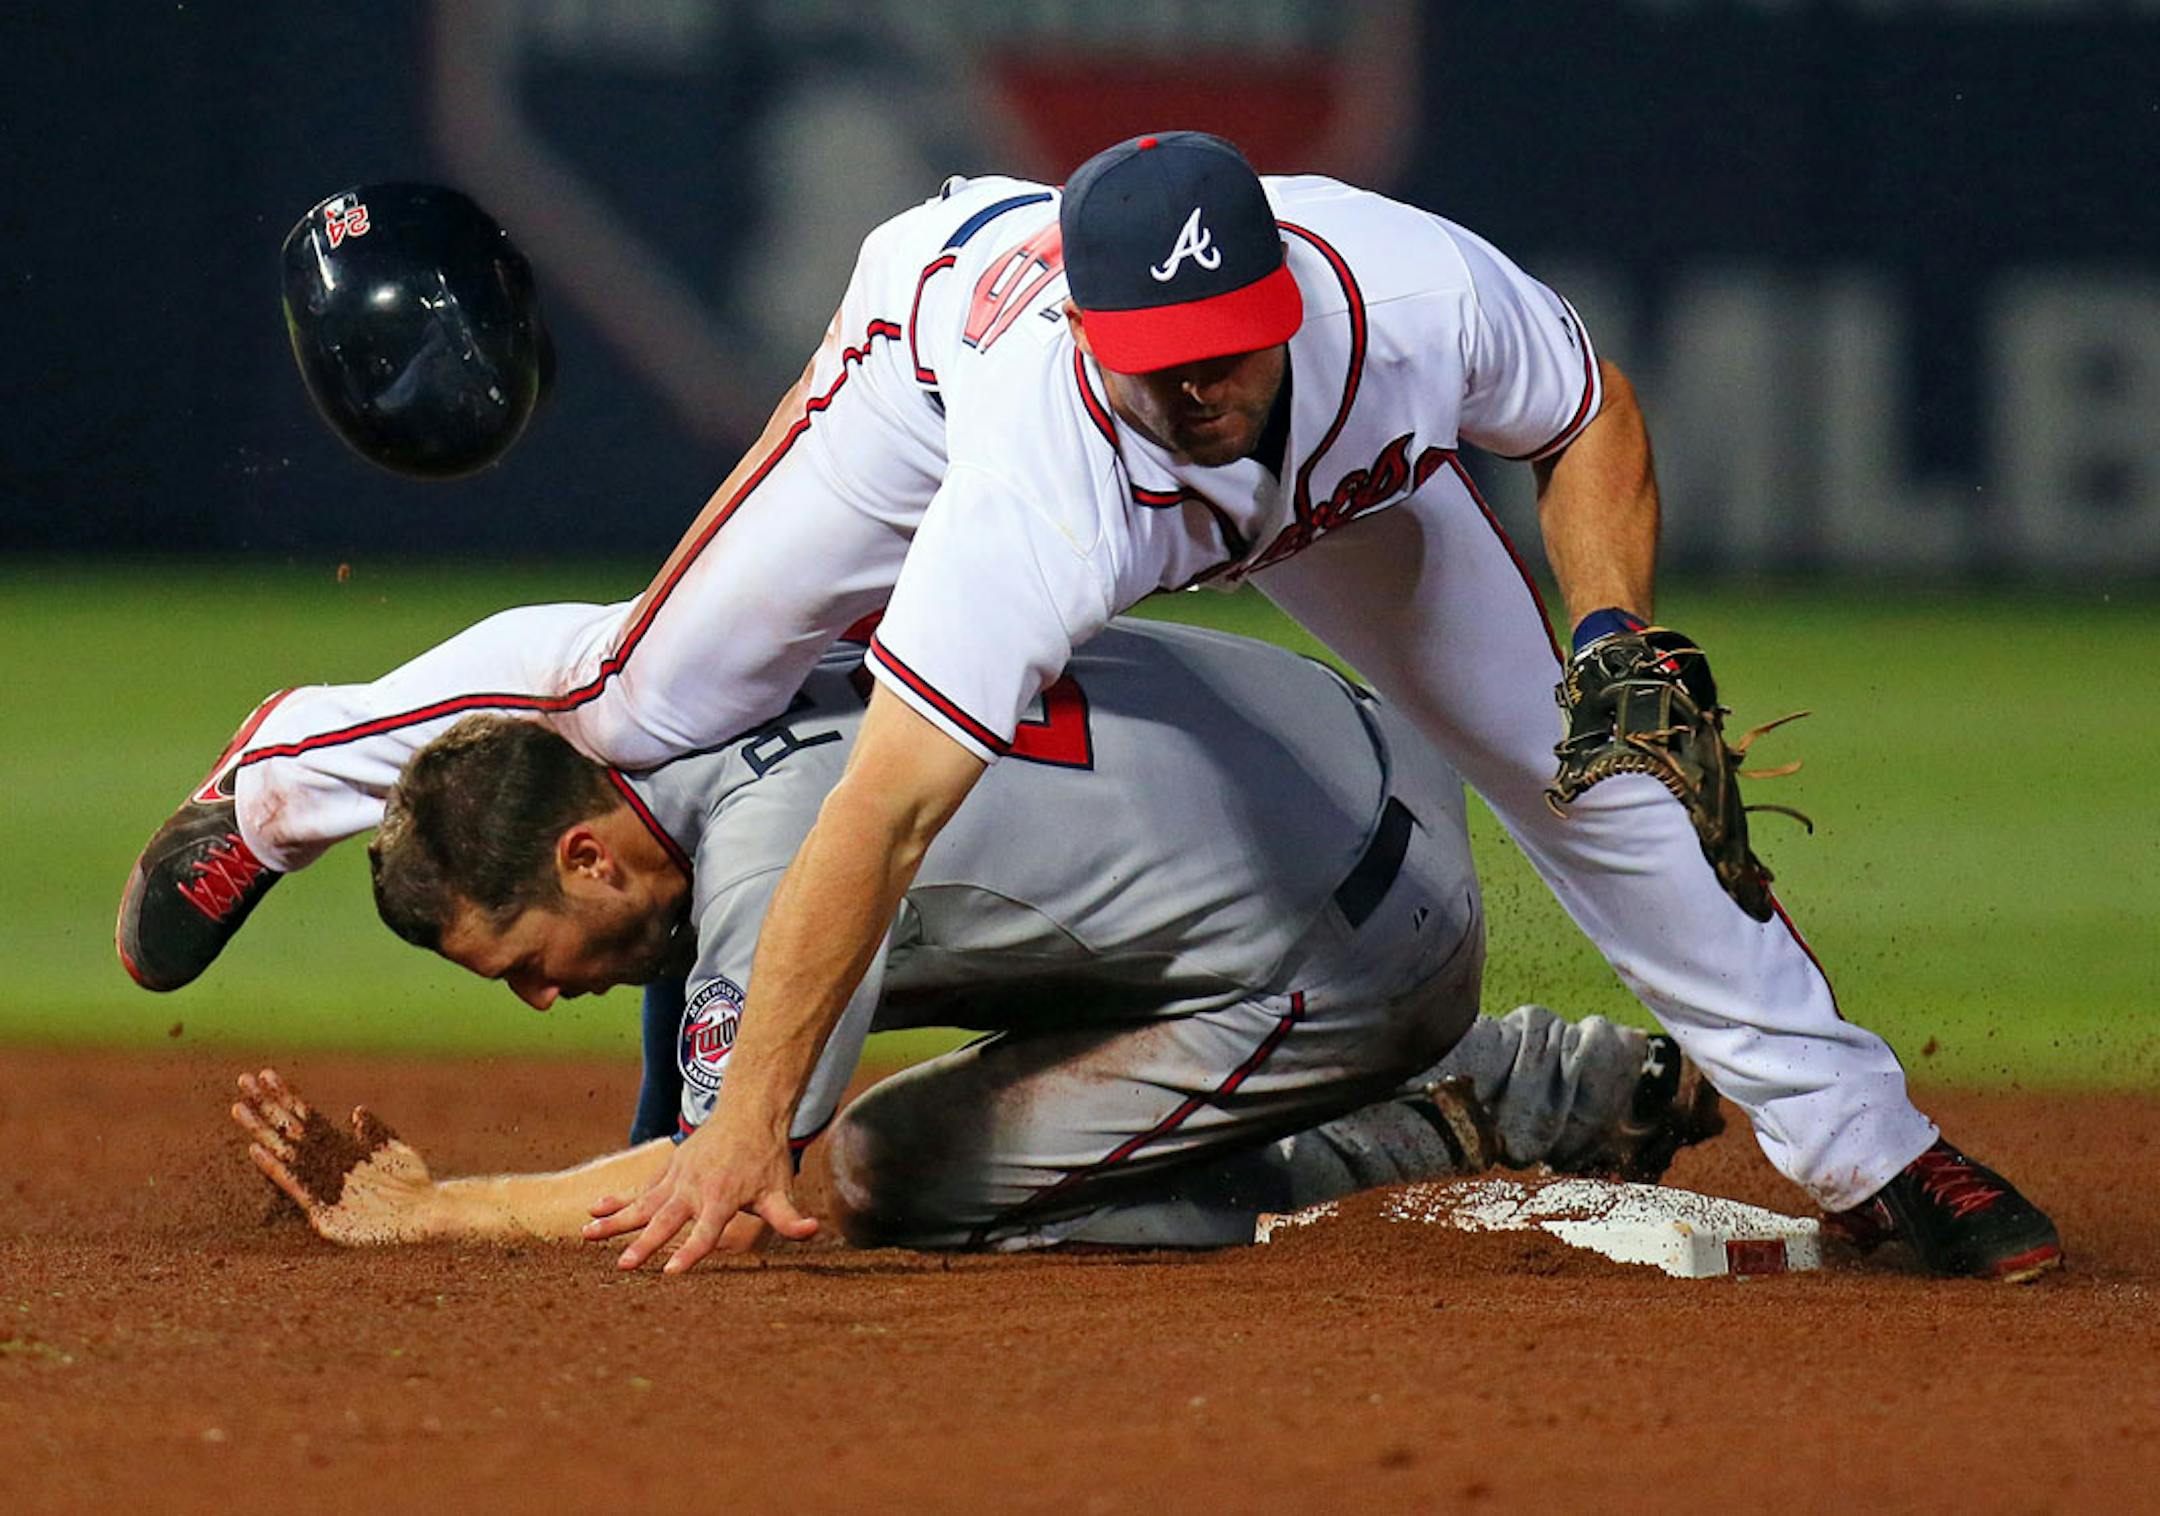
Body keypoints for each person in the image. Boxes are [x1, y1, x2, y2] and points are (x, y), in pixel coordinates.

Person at [124, 132, 2058, 1281]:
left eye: (1219, 359)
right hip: (927, 363)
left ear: (1291, 298)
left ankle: (1880, 1154)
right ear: (1102, 336)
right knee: (653, 691)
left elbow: (1589, 413)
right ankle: (285, 773)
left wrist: (1616, 624)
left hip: (1337, 502)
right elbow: (877, 810)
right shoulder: (1044, 474)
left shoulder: (1409, 303)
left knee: (1607, 776)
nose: (1190, 387)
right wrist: (740, 1137)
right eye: (1155, 364)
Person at [232, 621, 1719, 1255]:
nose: (543, 999)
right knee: (1050, 953)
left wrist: (441, 1212)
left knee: (894, 1169)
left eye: (529, 959)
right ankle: (1536, 1075)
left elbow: (727, 1187)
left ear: (585, 851)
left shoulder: (765, 857)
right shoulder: (695, 695)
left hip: (1361, 947)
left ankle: (1466, 1099)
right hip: (1353, 758)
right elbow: (682, 993)